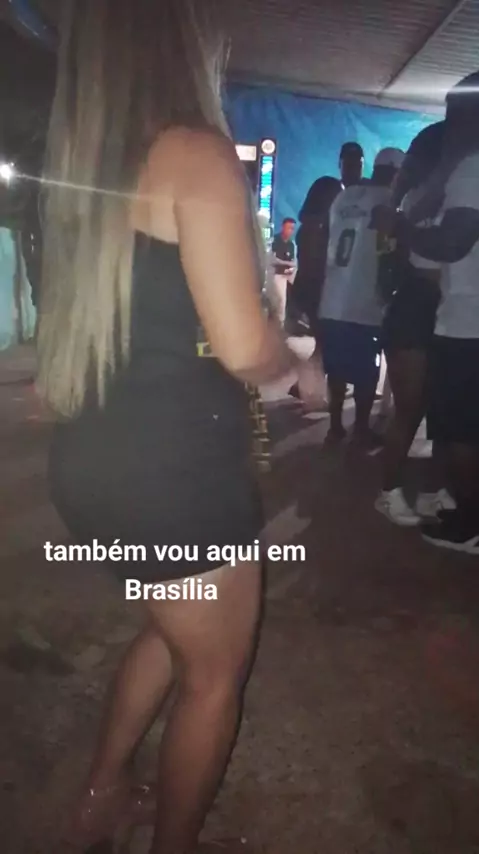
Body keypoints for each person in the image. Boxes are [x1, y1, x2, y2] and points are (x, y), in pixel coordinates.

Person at [36, 2, 299, 852]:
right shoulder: (193, 152)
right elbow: (243, 348)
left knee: (170, 625)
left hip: (93, 462)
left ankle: (101, 794)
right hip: (174, 475)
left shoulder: (82, 174)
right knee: (214, 678)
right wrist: (295, 359)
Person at [381, 72, 479, 553]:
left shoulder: (469, 174)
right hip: (430, 310)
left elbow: (447, 245)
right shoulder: (445, 185)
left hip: (459, 318)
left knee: (453, 425)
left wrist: (400, 228)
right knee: (432, 415)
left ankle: (466, 518)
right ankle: (428, 496)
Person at [375, 122, 455, 526]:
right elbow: (432, 263)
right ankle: (388, 492)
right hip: (416, 308)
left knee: (436, 408)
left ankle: (427, 491)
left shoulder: (428, 196)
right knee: (410, 409)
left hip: (433, 310)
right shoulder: (422, 198)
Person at [318, 147, 405, 447]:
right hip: (364, 302)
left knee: (336, 370)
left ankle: (334, 428)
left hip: (331, 299)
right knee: (366, 372)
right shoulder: (388, 203)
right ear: (396, 173)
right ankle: (361, 430)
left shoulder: (344, 198)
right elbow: (386, 253)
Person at [287, 177, 342, 408]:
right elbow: (315, 263)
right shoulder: (317, 227)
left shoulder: (309, 225)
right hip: (317, 289)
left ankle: (304, 387)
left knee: (323, 344)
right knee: (326, 344)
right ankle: (309, 389)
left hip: (309, 288)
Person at [269, 217, 297, 324]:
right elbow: (271, 259)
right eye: (288, 227)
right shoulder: (274, 241)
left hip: (287, 275)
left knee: (284, 301)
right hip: (275, 275)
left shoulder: (292, 244)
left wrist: (291, 268)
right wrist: (286, 264)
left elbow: (293, 261)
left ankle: (282, 322)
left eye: (292, 228)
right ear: (283, 227)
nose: (290, 231)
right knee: (279, 299)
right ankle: (276, 323)